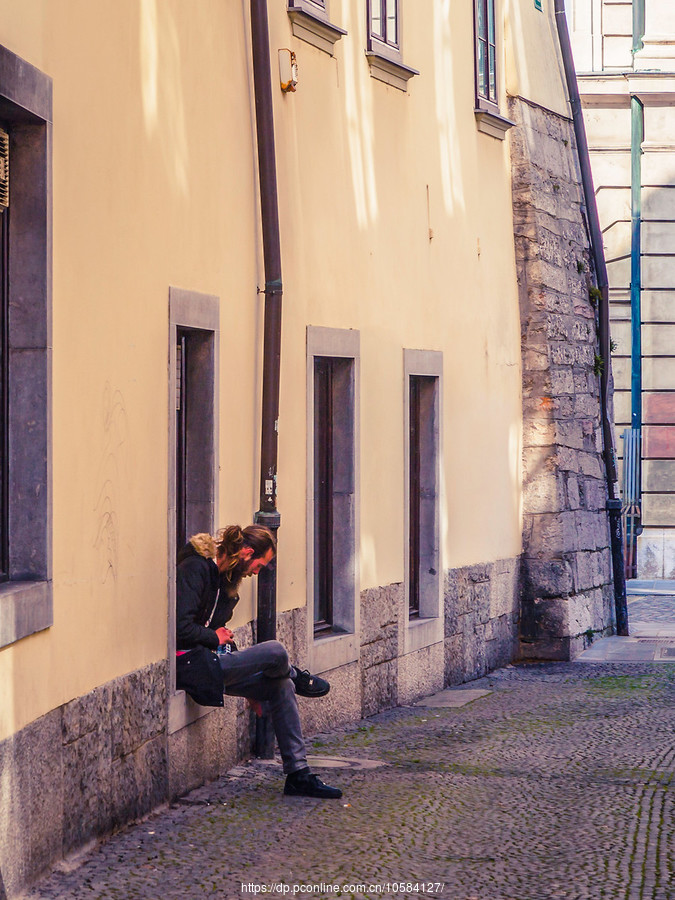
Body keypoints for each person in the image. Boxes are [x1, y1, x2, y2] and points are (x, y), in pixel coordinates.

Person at [176, 524, 342, 799]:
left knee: (281, 688)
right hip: (190, 665)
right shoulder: (195, 568)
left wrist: (251, 687)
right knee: (276, 651)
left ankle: (298, 774)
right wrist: (213, 637)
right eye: (259, 565)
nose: (256, 572)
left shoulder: (224, 582)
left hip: (210, 664)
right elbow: (182, 629)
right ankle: (295, 674)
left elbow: (220, 639)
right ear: (247, 552)